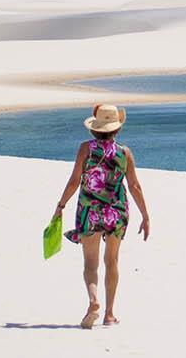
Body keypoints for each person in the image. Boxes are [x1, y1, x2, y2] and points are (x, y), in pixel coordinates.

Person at [53, 104, 151, 329]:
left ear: (95, 128)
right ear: (117, 129)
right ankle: (109, 314)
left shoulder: (85, 149)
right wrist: (145, 215)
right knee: (112, 261)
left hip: (90, 210)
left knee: (90, 263)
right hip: (116, 212)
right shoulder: (124, 152)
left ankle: (93, 300)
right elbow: (134, 185)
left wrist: (61, 205)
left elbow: (74, 180)